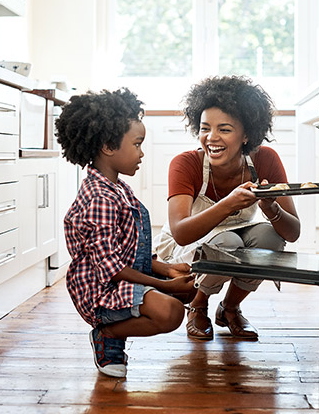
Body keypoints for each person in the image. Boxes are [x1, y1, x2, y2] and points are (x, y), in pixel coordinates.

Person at [55, 88, 196, 378]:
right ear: (108, 146)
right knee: (171, 312)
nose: (142, 153)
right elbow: (112, 268)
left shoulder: (118, 188)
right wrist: (166, 287)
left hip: (121, 277)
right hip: (101, 291)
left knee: (192, 289)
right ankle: (107, 336)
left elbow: (129, 251)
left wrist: (166, 269)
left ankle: (118, 328)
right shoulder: (99, 199)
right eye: (137, 144)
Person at [154, 75, 300, 341]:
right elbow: (181, 233)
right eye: (204, 128)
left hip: (240, 232)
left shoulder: (265, 159)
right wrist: (228, 203)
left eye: (224, 129)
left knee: (269, 237)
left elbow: (292, 232)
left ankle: (230, 309)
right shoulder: (185, 164)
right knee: (226, 240)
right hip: (190, 241)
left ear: (246, 135)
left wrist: (270, 208)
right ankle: (198, 305)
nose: (211, 138)